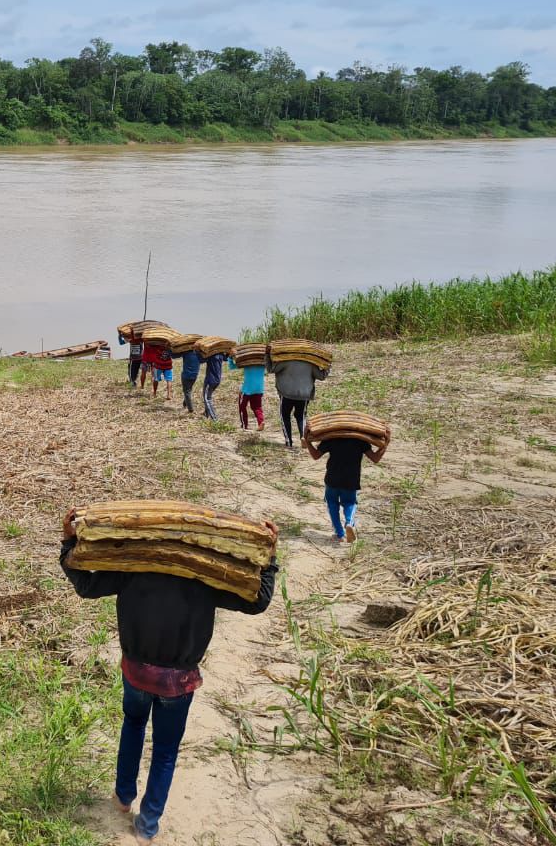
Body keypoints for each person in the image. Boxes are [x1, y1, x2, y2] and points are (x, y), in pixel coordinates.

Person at [60, 512, 278, 842]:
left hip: (136, 672)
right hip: (178, 682)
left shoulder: (134, 565)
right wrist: (270, 559)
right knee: (165, 750)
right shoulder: (205, 574)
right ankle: (147, 826)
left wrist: (68, 542)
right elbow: (257, 601)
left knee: (132, 724)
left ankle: (122, 797)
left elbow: (86, 584)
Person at [306, 433, 385, 543]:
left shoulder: (331, 437)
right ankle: (349, 523)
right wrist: (385, 444)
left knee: (332, 504)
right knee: (350, 503)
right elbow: (375, 458)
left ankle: (339, 534)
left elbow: (315, 455)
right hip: (351, 479)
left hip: (332, 478)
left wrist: (307, 441)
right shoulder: (360, 439)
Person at [268, 357, 328, 448]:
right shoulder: (310, 362)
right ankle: (303, 437)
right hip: (304, 394)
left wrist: (267, 357)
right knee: (301, 416)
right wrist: (327, 366)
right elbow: (321, 376)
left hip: (286, 393)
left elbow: (271, 369)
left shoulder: (286, 359)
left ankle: (289, 441)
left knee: (285, 416)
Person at [231, 358, 266, 431]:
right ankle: (261, 422)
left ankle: (244, 425)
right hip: (259, 388)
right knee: (257, 407)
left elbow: (232, 366)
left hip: (247, 389)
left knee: (242, 406)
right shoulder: (263, 363)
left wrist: (230, 357)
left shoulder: (247, 362)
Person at [201, 351, 228, 421]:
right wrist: (228, 353)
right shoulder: (221, 353)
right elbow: (225, 358)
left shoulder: (210, 354)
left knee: (207, 398)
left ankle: (215, 419)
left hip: (210, 380)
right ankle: (206, 413)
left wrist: (196, 350)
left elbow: (200, 360)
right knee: (207, 395)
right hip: (217, 380)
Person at [178, 346, 202, 414]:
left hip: (186, 375)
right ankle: (184, 404)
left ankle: (190, 409)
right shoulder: (199, 353)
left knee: (187, 391)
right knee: (189, 389)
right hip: (195, 375)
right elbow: (204, 360)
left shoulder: (186, 352)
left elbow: (174, 356)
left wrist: (168, 348)